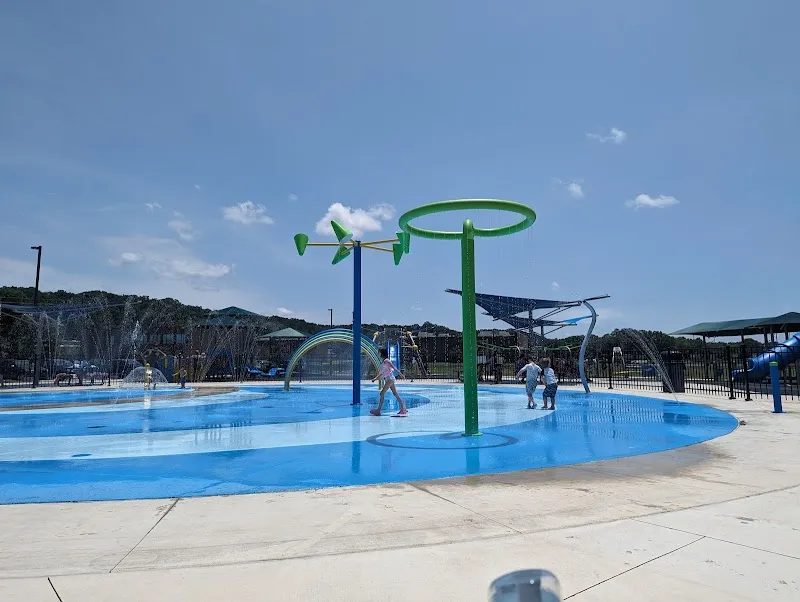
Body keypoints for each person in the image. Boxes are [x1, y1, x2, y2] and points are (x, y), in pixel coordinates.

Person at [369, 349, 408, 416]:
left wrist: (401, 375)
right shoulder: (383, 362)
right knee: (395, 394)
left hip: (390, 379)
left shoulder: (386, 361)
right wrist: (375, 378)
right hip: (389, 379)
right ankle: (403, 408)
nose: (378, 354)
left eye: (379, 352)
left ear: (382, 353)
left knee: (382, 393)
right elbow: (381, 373)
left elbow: (394, 368)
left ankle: (378, 410)